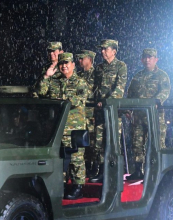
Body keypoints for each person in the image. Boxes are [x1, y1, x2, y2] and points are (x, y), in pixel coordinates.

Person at [34, 52, 90, 199]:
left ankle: (78, 187)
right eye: (61, 64)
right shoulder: (55, 81)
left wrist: (61, 99)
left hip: (75, 128)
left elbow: (79, 100)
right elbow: (40, 93)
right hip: (57, 128)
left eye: (67, 63)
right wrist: (46, 76)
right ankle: (62, 185)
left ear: (73, 64)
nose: (64, 66)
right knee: (60, 159)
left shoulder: (80, 82)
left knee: (76, 159)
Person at [126, 48, 171, 180]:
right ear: (141, 59)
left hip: (154, 116)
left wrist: (157, 101)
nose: (147, 60)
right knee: (137, 143)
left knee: (156, 144)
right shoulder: (137, 77)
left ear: (156, 59)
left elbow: (165, 91)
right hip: (139, 116)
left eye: (150, 57)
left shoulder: (162, 75)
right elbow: (130, 94)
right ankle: (138, 170)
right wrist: (128, 109)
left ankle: (158, 172)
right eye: (145, 57)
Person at [90, 39, 127, 183]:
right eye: (102, 49)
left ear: (114, 51)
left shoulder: (121, 66)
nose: (102, 52)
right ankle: (101, 171)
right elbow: (94, 88)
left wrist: (107, 101)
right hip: (100, 112)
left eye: (105, 49)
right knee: (99, 142)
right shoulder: (99, 68)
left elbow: (120, 88)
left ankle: (113, 172)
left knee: (112, 142)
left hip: (112, 112)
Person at [77, 49, 98, 177]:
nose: (79, 61)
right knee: (81, 141)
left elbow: (92, 92)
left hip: (92, 113)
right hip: (81, 113)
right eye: (78, 59)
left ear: (89, 59)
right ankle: (85, 168)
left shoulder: (96, 74)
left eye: (81, 58)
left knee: (93, 141)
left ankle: (94, 168)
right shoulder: (79, 75)